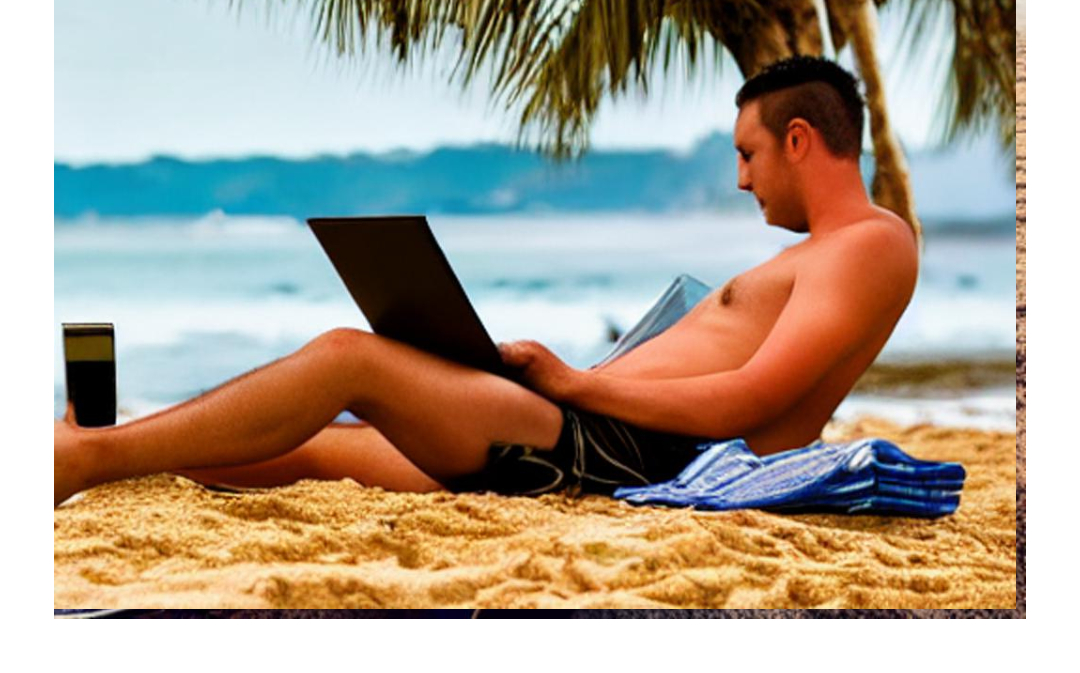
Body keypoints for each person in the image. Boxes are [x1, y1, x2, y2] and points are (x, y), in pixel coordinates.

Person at [54, 56, 918, 507]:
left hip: (608, 449)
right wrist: (569, 379)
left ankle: (86, 457)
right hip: (578, 425)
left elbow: (750, 399)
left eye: (748, 154)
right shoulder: (818, 256)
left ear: (801, 139)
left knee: (348, 359)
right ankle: (117, 445)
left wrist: (575, 382)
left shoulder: (870, 245)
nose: (741, 179)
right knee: (319, 450)